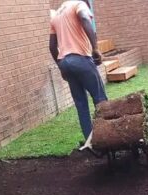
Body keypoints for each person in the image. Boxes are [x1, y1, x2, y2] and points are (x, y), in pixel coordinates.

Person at [49, 0, 107, 141]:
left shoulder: (56, 15)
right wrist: (95, 48)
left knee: (81, 105)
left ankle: (90, 141)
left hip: (65, 62)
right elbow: (84, 18)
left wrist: (61, 67)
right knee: (100, 99)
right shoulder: (78, 5)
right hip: (81, 59)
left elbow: (52, 46)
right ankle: (107, 137)